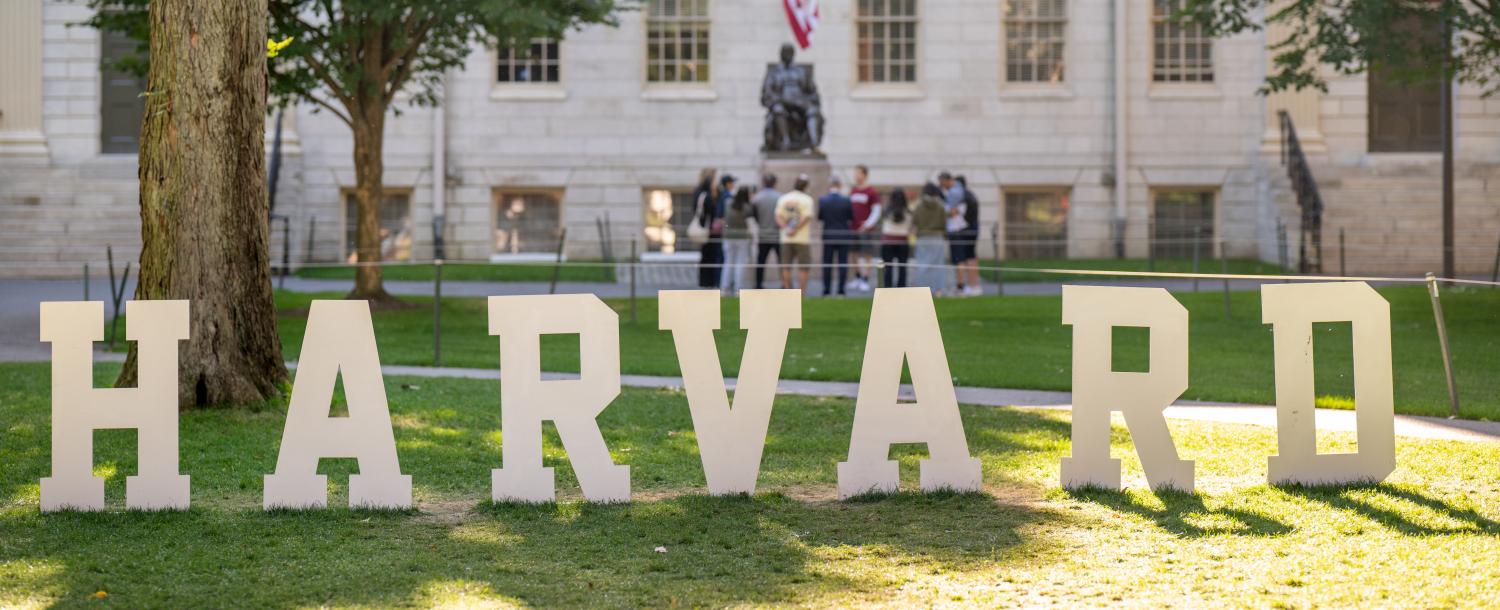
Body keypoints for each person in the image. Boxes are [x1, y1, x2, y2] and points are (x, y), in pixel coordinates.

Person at [775, 174, 817, 294]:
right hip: (802, 238)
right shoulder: (807, 199)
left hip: (786, 238)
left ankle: (788, 291)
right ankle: (801, 293)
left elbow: (778, 217)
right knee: (803, 267)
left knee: (786, 266)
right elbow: (806, 217)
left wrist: (787, 229)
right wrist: (795, 229)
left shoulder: (784, 198)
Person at [817, 176, 855, 297]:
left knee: (827, 264)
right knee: (842, 263)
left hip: (829, 235)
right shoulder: (846, 200)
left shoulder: (823, 200)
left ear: (830, 185)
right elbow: (851, 217)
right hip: (843, 235)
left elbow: (820, 217)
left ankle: (826, 290)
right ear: (840, 186)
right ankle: (841, 290)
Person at [911, 182, 950, 294]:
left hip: (923, 237)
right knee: (938, 265)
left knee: (922, 265)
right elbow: (944, 222)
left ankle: (922, 289)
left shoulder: (919, 205)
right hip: (937, 237)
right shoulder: (941, 205)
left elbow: (915, 221)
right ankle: (938, 290)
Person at [849, 164, 882, 292]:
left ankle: (865, 278)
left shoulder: (871, 192)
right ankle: (857, 277)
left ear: (864, 174)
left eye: (858, 173)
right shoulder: (853, 191)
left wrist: (868, 225)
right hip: (853, 228)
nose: (855, 176)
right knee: (853, 253)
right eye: (855, 173)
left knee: (867, 254)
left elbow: (876, 210)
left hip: (866, 229)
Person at [938, 171, 970, 295]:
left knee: (959, 259)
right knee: (958, 260)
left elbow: (953, 211)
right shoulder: (957, 190)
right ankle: (960, 286)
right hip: (956, 229)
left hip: (957, 230)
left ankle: (961, 287)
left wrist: (944, 212)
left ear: (946, 180)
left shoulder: (955, 192)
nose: (941, 185)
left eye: (941, 182)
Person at [750, 174, 782, 288]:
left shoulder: (757, 198)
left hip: (763, 234)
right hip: (777, 235)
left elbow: (754, 215)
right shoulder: (780, 197)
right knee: (782, 262)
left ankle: (758, 284)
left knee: (761, 261)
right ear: (775, 183)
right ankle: (785, 283)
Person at [720, 185, 753, 295]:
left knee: (728, 262)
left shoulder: (728, 203)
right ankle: (738, 289)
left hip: (728, 236)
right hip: (742, 237)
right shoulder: (747, 207)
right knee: (740, 263)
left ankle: (725, 288)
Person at [692, 169, 721, 289]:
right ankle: (708, 281)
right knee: (709, 256)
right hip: (708, 230)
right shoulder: (707, 196)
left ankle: (705, 281)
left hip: (705, 229)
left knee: (705, 255)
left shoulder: (698, 192)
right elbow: (712, 213)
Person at [955, 175, 983, 296]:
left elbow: (962, 216)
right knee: (971, 258)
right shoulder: (971, 195)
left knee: (965, 258)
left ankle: (970, 286)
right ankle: (974, 285)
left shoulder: (963, 197)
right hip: (973, 230)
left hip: (966, 231)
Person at [879, 187, 913, 288]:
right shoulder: (908, 212)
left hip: (887, 241)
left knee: (888, 267)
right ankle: (901, 288)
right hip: (903, 242)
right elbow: (910, 227)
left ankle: (887, 288)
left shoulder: (886, 211)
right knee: (902, 268)